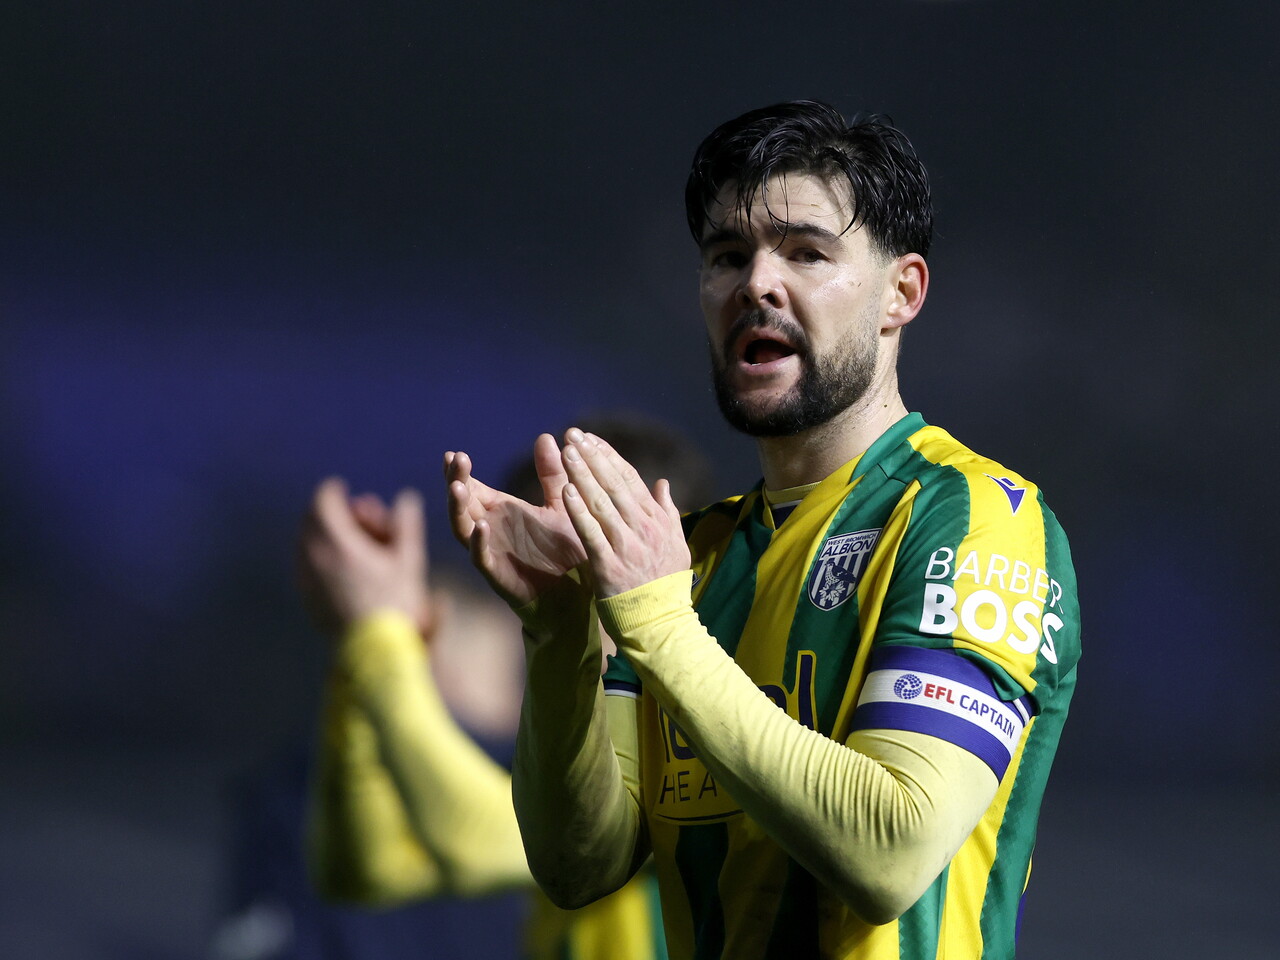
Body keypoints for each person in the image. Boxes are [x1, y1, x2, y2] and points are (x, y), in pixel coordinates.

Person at [443, 100, 1080, 960]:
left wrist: (664, 626)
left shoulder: (975, 522)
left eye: (807, 252)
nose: (756, 283)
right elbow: (579, 865)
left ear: (903, 293)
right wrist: (559, 633)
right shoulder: (687, 560)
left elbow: (891, 851)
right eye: (727, 256)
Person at [300, 415, 714, 960]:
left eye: (572, 558)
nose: (541, 594)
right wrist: (365, 642)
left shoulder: (703, 740)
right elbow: (368, 869)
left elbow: (472, 842)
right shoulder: (565, 741)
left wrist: (381, 634)